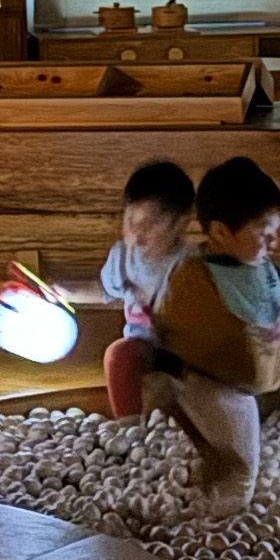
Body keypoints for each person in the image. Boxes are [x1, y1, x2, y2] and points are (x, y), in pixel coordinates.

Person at [150, 157, 280, 516]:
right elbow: (176, 330)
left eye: (276, 231)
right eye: (263, 232)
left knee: (224, 449)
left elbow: (261, 308)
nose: (274, 242)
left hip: (240, 382)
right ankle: (218, 519)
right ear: (220, 232)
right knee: (240, 464)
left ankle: (207, 481)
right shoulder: (195, 276)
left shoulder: (256, 265)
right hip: (212, 386)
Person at [100, 161, 196, 419]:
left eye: (150, 224)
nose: (138, 234)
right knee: (119, 355)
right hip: (145, 347)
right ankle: (128, 428)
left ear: (181, 224)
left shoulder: (192, 263)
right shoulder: (122, 258)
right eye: (131, 221)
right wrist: (61, 293)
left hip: (191, 352)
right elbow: (104, 293)